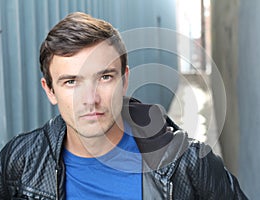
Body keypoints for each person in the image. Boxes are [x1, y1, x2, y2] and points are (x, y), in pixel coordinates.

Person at [0, 12, 247, 199]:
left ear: (124, 80)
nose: (90, 98)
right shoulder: (20, 162)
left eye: (104, 77)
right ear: (50, 90)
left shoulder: (189, 164)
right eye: (71, 82)